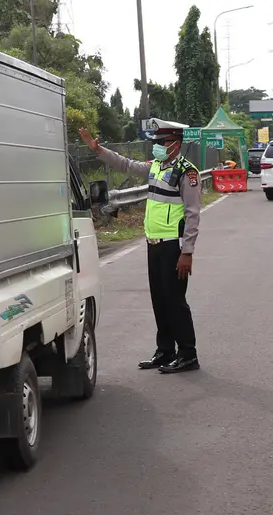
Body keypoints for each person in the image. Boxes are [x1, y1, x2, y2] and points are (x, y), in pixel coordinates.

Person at [78, 119, 201, 374]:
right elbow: (125, 164)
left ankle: (188, 354)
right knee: (159, 300)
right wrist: (97, 150)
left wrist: (187, 251)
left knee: (174, 300)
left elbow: (192, 214)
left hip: (173, 247)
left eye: (161, 143)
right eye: (155, 143)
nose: (156, 147)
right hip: (153, 243)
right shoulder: (156, 166)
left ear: (175, 145)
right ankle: (165, 351)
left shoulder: (186, 173)